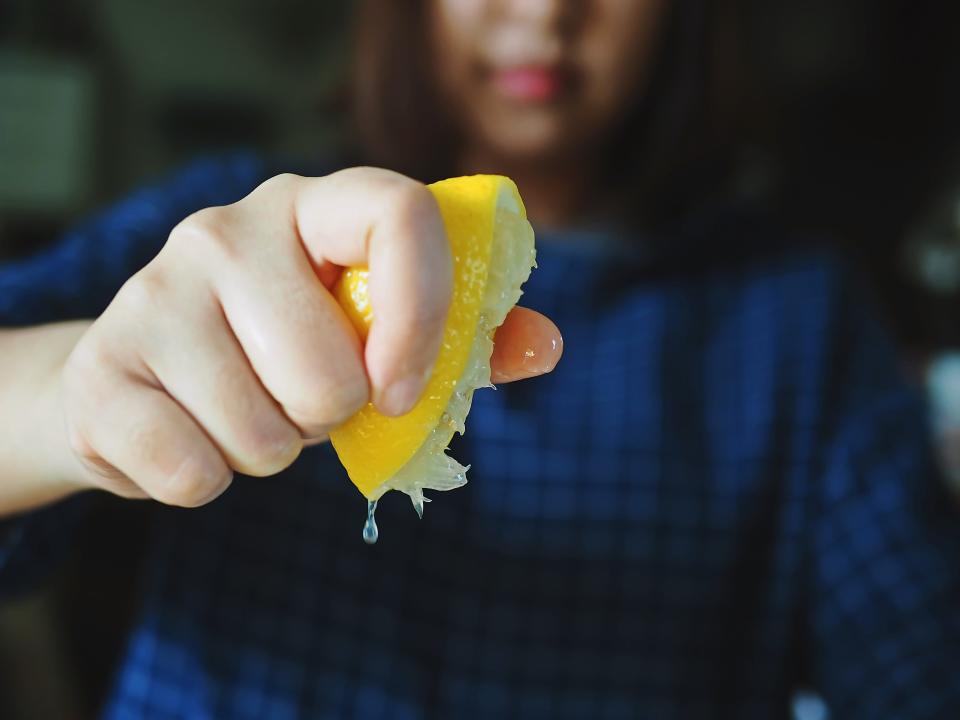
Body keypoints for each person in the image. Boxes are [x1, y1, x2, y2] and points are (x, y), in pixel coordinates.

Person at [2, 1, 958, 718]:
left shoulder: (801, 322)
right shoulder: (225, 224)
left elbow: (912, 667)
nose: (542, 12)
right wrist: (69, 398)